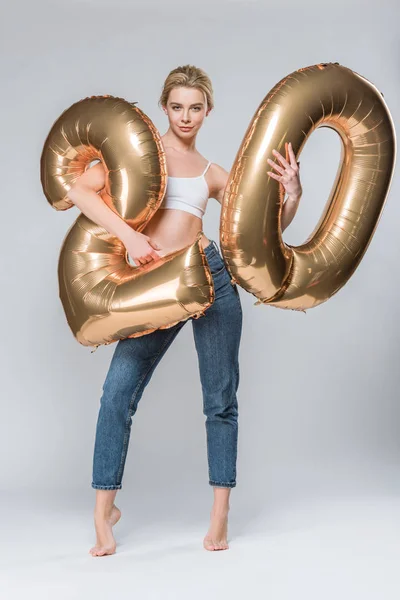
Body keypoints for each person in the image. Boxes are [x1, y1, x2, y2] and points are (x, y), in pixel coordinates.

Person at [66, 64, 303, 556]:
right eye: (177, 106)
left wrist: (293, 195)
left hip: (210, 279)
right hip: (155, 287)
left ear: (208, 111)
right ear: (165, 108)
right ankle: (102, 513)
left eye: (196, 107)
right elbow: (78, 191)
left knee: (220, 399)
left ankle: (220, 514)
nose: (186, 115)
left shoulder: (214, 173)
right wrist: (129, 235)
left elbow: (262, 226)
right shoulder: (141, 154)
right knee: (117, 395)